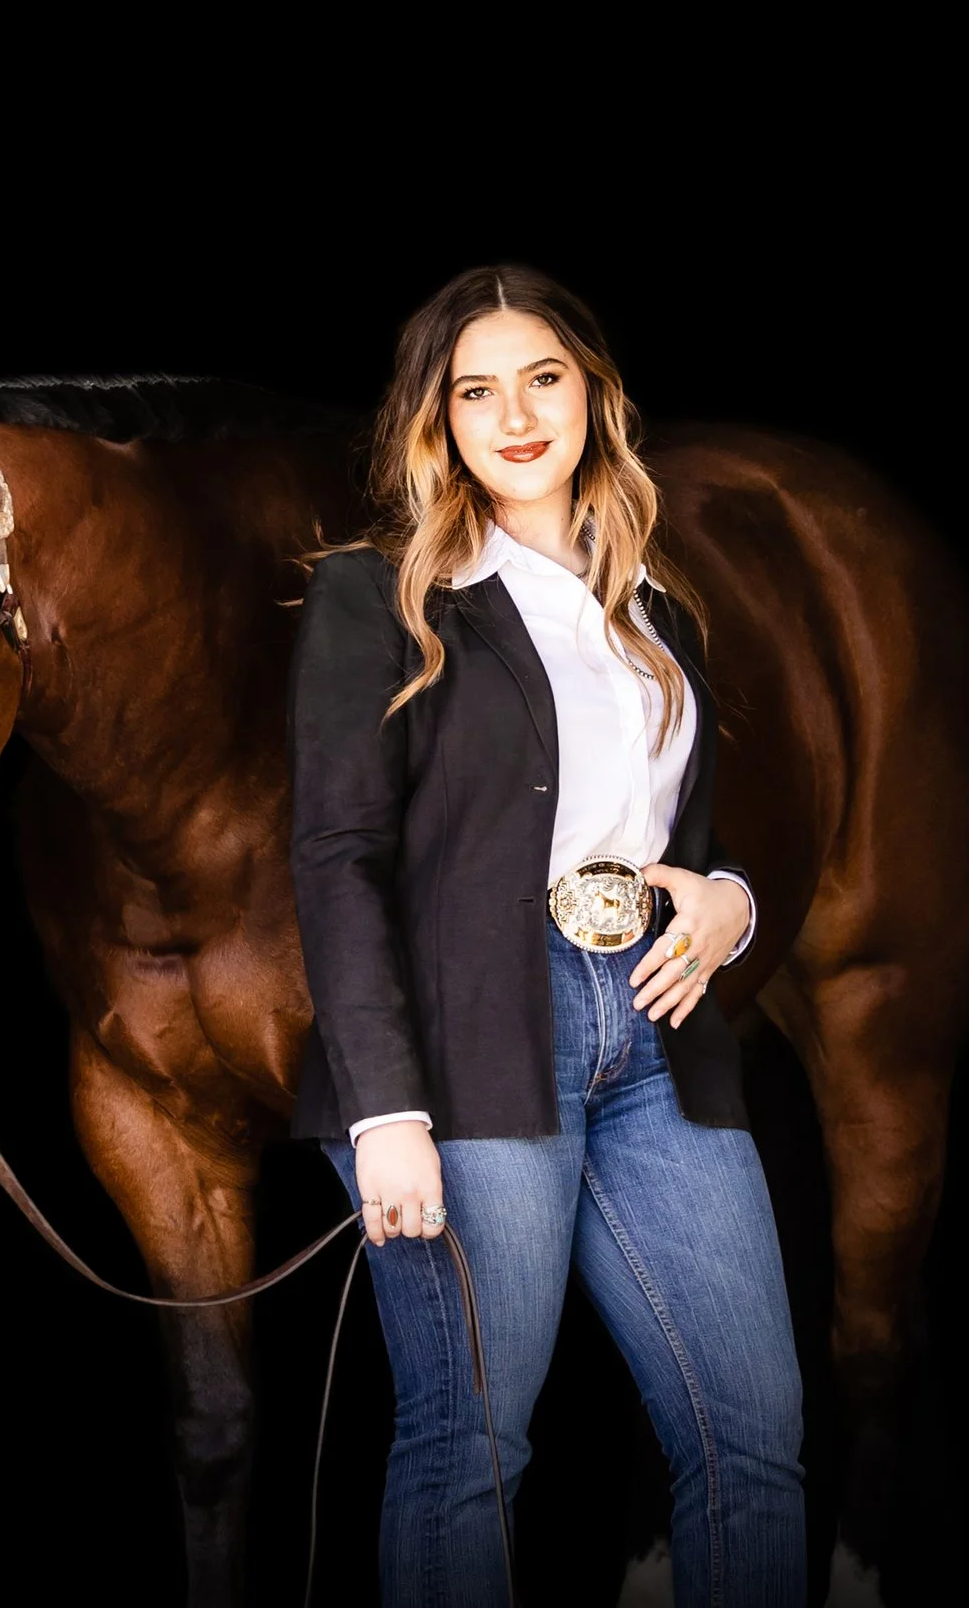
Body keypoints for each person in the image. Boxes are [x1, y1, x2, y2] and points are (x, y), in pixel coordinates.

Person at [287, 264, 806, 1606]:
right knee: (470, 1446)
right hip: (466, 1042)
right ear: (437, 419)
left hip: (660, 1028)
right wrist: (383, 1110)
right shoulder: (378, 596)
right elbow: (337, 859)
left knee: (753, 1439)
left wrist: (731, 901)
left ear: (595, 395)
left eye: (543, 380)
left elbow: (689, 833)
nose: (514, 417)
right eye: (477, 392)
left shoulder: (660, 608)